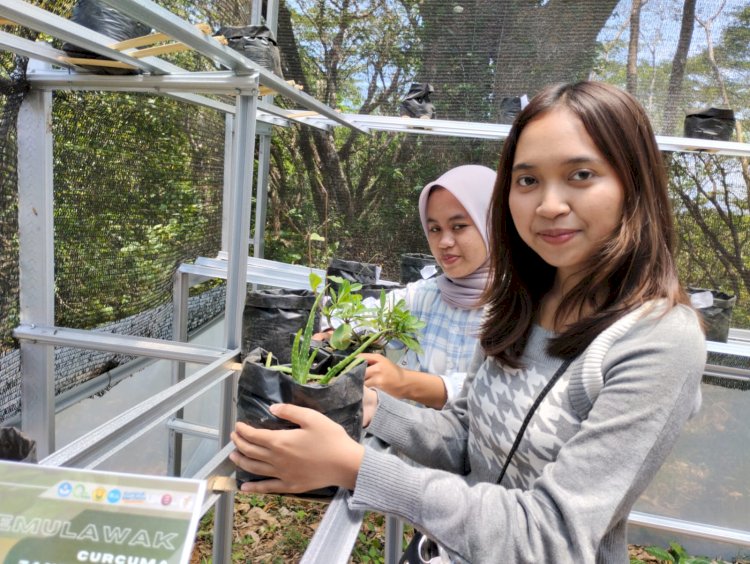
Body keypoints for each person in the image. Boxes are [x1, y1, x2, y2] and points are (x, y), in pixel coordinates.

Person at [230, 81, 706, 563]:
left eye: (581, 174)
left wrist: (357, 468)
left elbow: (549, 536)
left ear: (635, 183)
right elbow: (465, 439)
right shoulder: (520, 303)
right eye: (527, 180)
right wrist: (373, 406)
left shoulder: (658, 340)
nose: (549, 204)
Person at [358, 164, 496, 409]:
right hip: (406, 438)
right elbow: (370, 313)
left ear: (494, 225)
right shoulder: (427, 296)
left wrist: (405, 382)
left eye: (459, 226)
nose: (444, 242)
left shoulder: (520, 308)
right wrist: (335, 327)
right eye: (434, 229)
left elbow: (496, 390)